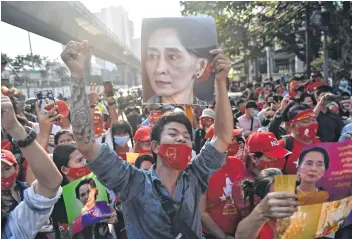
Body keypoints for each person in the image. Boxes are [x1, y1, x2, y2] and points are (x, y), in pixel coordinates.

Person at [61, 40, 233, 238]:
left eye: (186, 137)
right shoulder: (132, 182)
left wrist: (220, 82)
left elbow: (222, 136)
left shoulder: (195, 177)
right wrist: (76, 75)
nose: (181, 140)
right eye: (173, 134)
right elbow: (85, 143)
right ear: (155, 146)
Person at [1, 96, 63, 238]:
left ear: (16, 169)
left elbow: (50, 183)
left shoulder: (13, 227)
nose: (2, 175)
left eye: (6, 169)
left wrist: (15, 128)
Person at [142, 18, 215, 105]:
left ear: (201, 66)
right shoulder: (143, 115)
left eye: (172, 57)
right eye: (153, 56)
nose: (159, 69)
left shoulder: (208, 113)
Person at [51, 144, 117, 239]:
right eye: (79, 160)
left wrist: (113, 216)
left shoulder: (98, 186)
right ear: (65, 169)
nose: (85, 163)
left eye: (85, 159)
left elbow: (112, 216)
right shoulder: (56, 199)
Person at [200, 128, 245, 239]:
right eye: (231, 139)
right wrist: (222, 236)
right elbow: (201, 212)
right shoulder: (202, 171)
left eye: (234, 139)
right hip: (212, 235)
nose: (233, 142)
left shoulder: (238, 163)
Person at [235, 168, 298, 239]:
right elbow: (241, 235)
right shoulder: (259, 227)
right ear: (260, 201)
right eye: (278, 198)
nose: (286, 202)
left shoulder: (293, 218)